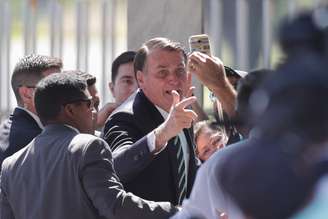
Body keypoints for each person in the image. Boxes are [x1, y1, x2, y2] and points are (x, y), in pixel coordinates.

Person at [0, 72, 178, 219]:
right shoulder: (88, 146)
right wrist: (177, 211)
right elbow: (116, 206)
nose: (94, 111)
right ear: (69, 110)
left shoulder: (10, 165)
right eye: (90, 104)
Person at [103, 37, 199, 205]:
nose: (174, 79)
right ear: (141, 79)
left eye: (180, 71)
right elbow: (115, 169)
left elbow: (185, 167)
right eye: (162, 72)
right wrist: (162, 134)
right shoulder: (124, 118)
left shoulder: (183, 110)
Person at [171, 57, 269, 219]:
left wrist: (220, 84)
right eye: (215, 93)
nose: (215, 149)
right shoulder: (217, 165)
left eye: (236, 88)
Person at [0, 54, 62, 167]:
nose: (65, 94)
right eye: (54, 88)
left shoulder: (6, 128)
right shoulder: (37, 140)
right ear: (26, 94)